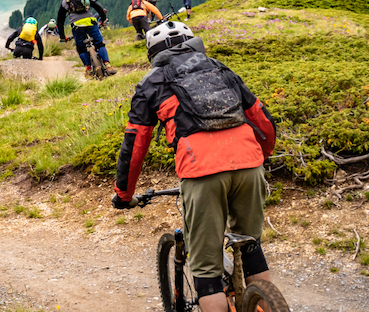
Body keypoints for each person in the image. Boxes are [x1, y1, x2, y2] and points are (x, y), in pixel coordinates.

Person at [111, 20, 277, 312]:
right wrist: (258, 158)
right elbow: (262, 120)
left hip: (201, 171)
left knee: (207, 273)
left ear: (153, 54)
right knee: (251, 248)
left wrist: (124, 194)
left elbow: (135, 144)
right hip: (249, 162)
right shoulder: (219, 67)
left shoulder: (152, 82)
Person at [56, 0, 117, 77]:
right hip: (91, 21)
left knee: (81, 48)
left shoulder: (65, 2)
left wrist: (63, 37)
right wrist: (103, 19)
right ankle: (108, 65)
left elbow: (60, 21)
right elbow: (98, 6)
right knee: (99, 44)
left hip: (77, 25)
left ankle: (88, 69)